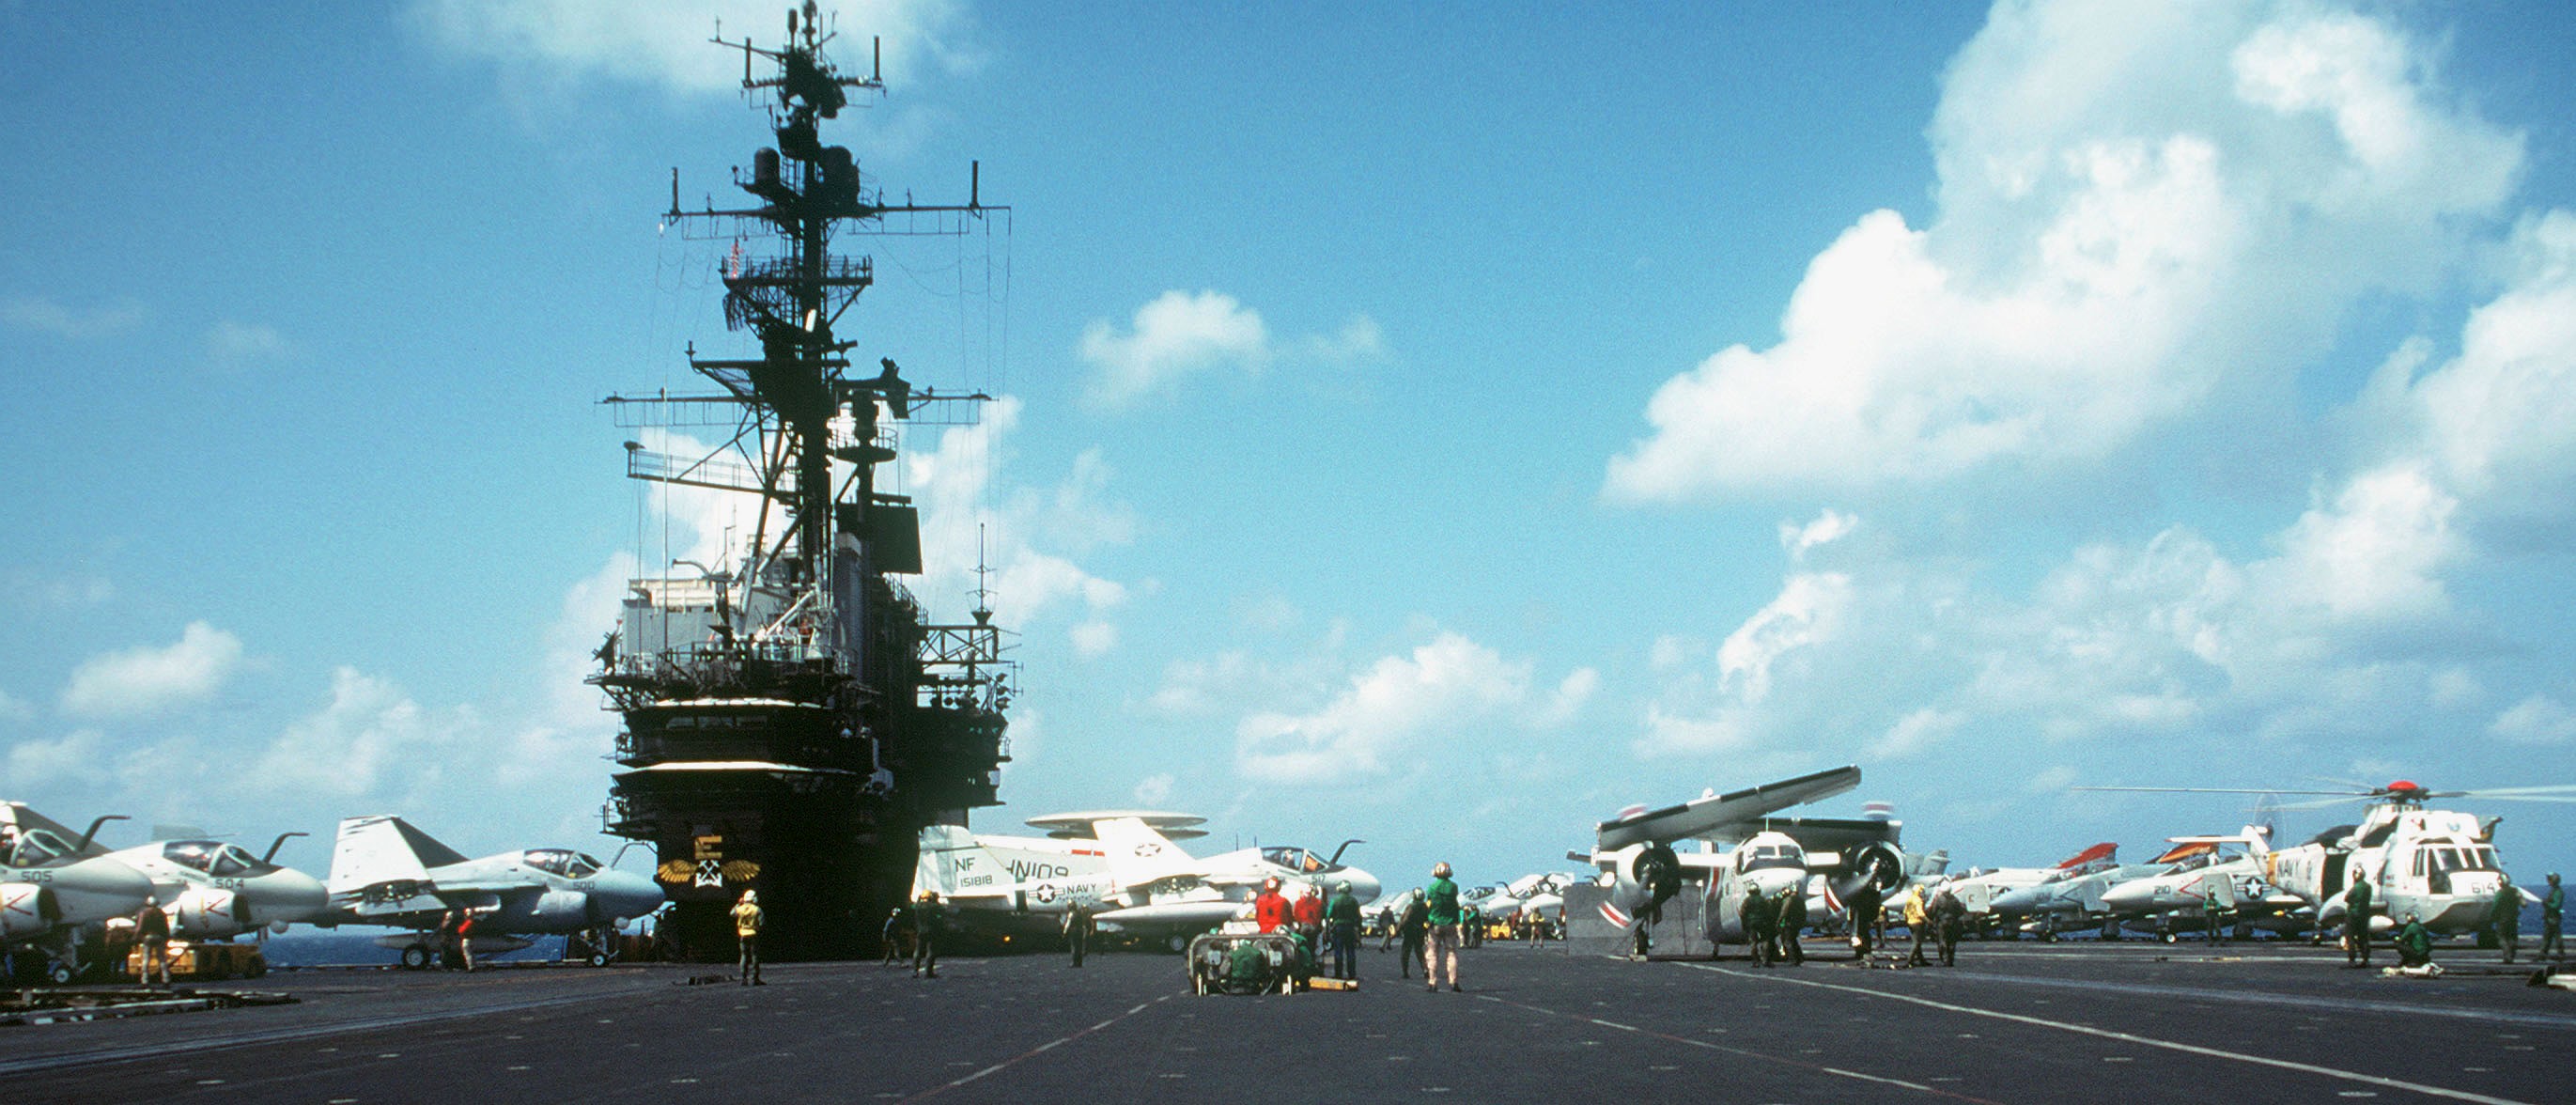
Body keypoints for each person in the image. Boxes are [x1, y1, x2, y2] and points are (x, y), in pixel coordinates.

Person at [1424, 862, 1463, 992]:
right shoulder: (1454, 887)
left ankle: (1432, 982)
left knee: (1432, 954)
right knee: (1451, 953)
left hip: (1435, 924)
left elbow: (1429, 904)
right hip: (1450, 923)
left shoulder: (1432, 888)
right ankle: (1453, 982)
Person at [1327, 881, 1362, 981]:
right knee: (1351, 952)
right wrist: (1359, 930)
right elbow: (1358, 917)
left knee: (1338, 951)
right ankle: (1352, 974)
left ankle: (1338, 974)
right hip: (1350, 928)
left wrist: (1328, 929)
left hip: (1338, 928)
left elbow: (1329, 915)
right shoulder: (1353, 901)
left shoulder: (1335, 901)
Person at [134, 895, 172, 986]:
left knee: (146, 958)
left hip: (148, 937)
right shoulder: (161, 913)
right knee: (162, 959)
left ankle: (145, 980)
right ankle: (166, 979)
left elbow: (140, 928)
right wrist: (166, 939)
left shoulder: (144, 913)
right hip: (159, 937)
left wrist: (136, 937)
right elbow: (166, 928)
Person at [731, 890, 764, 986]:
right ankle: (755, 978)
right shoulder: (757, 909)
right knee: (754, 955)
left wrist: (738, 904)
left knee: (744, 955)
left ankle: (743, 978)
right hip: (753, 934)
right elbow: (761, 923)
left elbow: (732, 913)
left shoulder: (740, 909)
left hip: (742, 934)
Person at [912, 891, 945, 977]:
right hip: (931, 931)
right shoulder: (934, 907)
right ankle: (929, 972)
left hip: (920, 931)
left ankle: (915, 971)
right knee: (931, 951)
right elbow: (941, 913)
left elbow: (916, 903)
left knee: (918, 950)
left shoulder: (917, 906)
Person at [2343, 878, 2374, 968]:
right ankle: (2366, 959)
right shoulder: (2368, 887)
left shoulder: (2355, 887)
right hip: (2364, 915)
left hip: (2353, 914)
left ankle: (2352, 960)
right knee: (2364, 937)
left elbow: (2347, 898)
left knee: (2350, 937)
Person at [1397, 890, 1428, 978]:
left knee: (1406, 951)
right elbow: (1427, 919)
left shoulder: (1411, 906)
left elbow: (1405, 919)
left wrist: (1398, 929)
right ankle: (1425, 969)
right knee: (1419, 951)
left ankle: (1405, 972)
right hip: (1420, 931)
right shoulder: (1425, 907)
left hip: (1409, 931)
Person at [1932, 886, 1963, 968]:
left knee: (1942, 940)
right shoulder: (1955, 899)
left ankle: (1945, 959)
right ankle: (1951, 959)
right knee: (1952, 941)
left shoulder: (1939, 899)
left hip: (1942, 922)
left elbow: (1933, 911)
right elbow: (1960, 911)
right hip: (1953, 922)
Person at [1741, 885, 1773, 967]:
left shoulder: (1747, 900)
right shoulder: (1763, 900)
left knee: (1753, 942)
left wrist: (1744, 923)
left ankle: (1755, 961)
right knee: (1765, 940)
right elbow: (1769, 911)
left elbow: (1742, 913)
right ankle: (1765, 960)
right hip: (1763, 922)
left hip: (1752, 923)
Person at [2491, 879, 2521, 964]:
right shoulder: (2515, 891)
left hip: (2502, 919)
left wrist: (2491, 917)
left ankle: (2507, 956)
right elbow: (2522, 903)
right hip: (2513, 919)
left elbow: (2495, 906)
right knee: (2513, 937)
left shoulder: (2501, 893)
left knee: (2502, 937)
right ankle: (2512, 955)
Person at [1777, 886, 1807, 966]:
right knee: (1793, 940)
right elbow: (1804, 912)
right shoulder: (1801, 900)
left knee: (1788, 941)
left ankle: (1793, 959)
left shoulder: (1789, 900)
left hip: (1789, 923)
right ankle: (1800, 957)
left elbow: (1784, 912)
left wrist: (1778, 921)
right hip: (1798, 923)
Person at [1903, 884, 1931, 967]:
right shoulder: (1918, 900)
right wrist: (1928, 921)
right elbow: (1920, 913)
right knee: (1917, 942)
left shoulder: (1910, 899)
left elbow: (1905, 912)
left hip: (1910, 922)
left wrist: (1907, 921)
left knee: (1917, 942)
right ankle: (1909, 960)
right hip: (1917, 923)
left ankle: (1921, 960)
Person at [1063, 900, 1095, 968]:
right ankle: (1079, 963)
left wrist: (1064, 932)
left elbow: (1068, 924)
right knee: (1079, 947)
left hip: (1073, 931)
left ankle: (1075, 963)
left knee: (1074, 947)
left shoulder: (1071, 914)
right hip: (1080, 931)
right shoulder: (1080, 913)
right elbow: (1083, 923)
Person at [2542, 873, 2565, 961]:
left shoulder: (2558, 892)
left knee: (2556, 936)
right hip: (2550, 917)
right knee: (2548, 936)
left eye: (2550, 879)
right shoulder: (2554, 891)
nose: (2548, 881)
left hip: (2553, 918)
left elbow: (2556, 905)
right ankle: (2543, 953)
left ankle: (2560, 953)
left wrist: (2546, 904)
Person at [457, 907, 481, 973]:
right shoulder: (474, 922)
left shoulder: (468, 922)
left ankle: (471, 967)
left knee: (468, 954)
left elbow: (461, 930)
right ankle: (474, 966)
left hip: (466, 940)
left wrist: (459, 928)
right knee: (471, 954)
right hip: (471, 939)